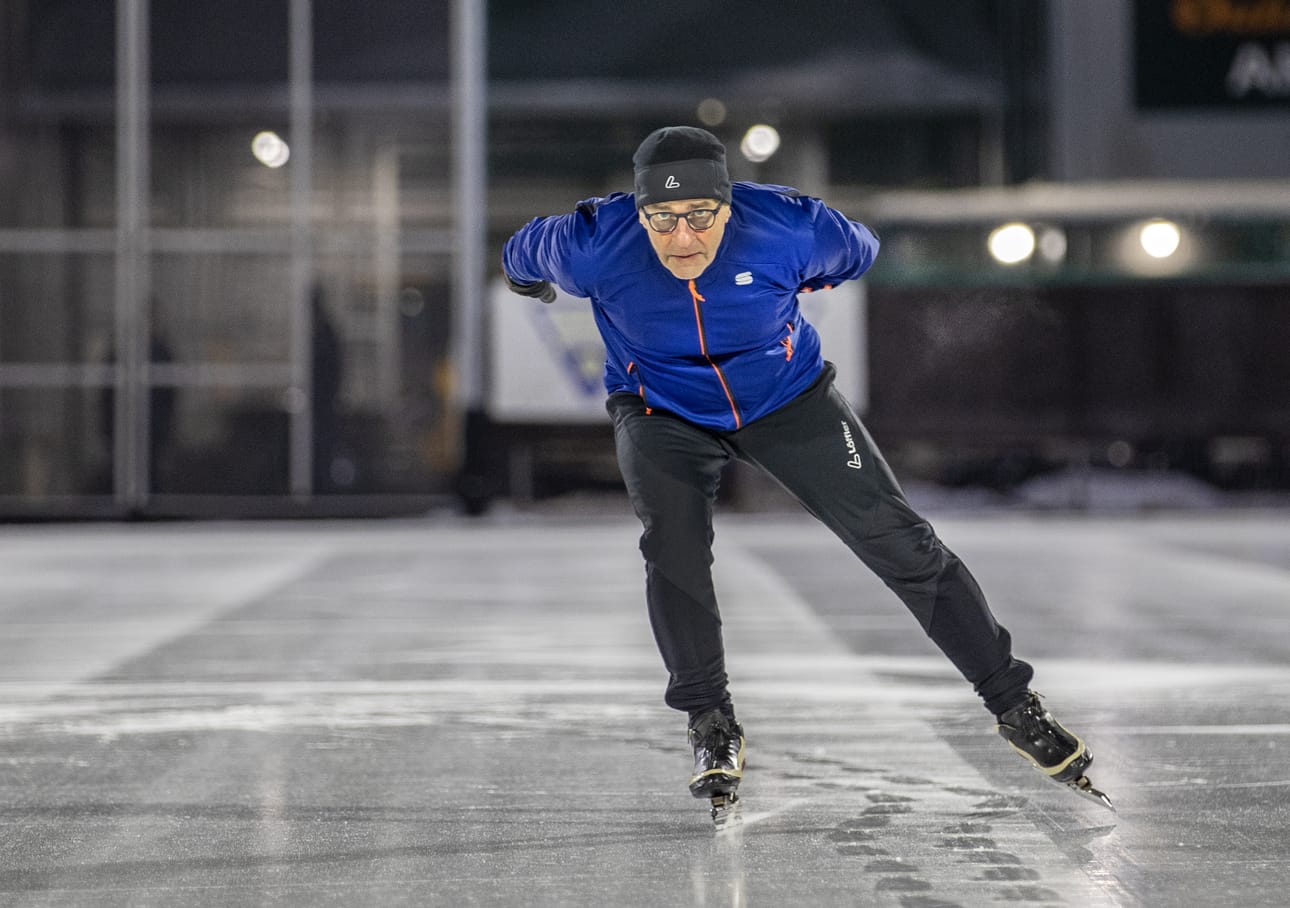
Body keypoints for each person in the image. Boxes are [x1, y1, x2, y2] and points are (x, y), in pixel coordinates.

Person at [501, 125, 1110, 820]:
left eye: (701, 216)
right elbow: (520, 251)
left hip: (786, 399)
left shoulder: (789, 227)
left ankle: (1012, 702)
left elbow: (860, 251)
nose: (683, 239)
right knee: (672, 548)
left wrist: (802, 274)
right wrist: (527, 279)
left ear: (730, 207)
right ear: (637, 215)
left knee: (899, 541)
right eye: (661, 221)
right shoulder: (590, 244)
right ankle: (709, 721)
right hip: (659, 407)